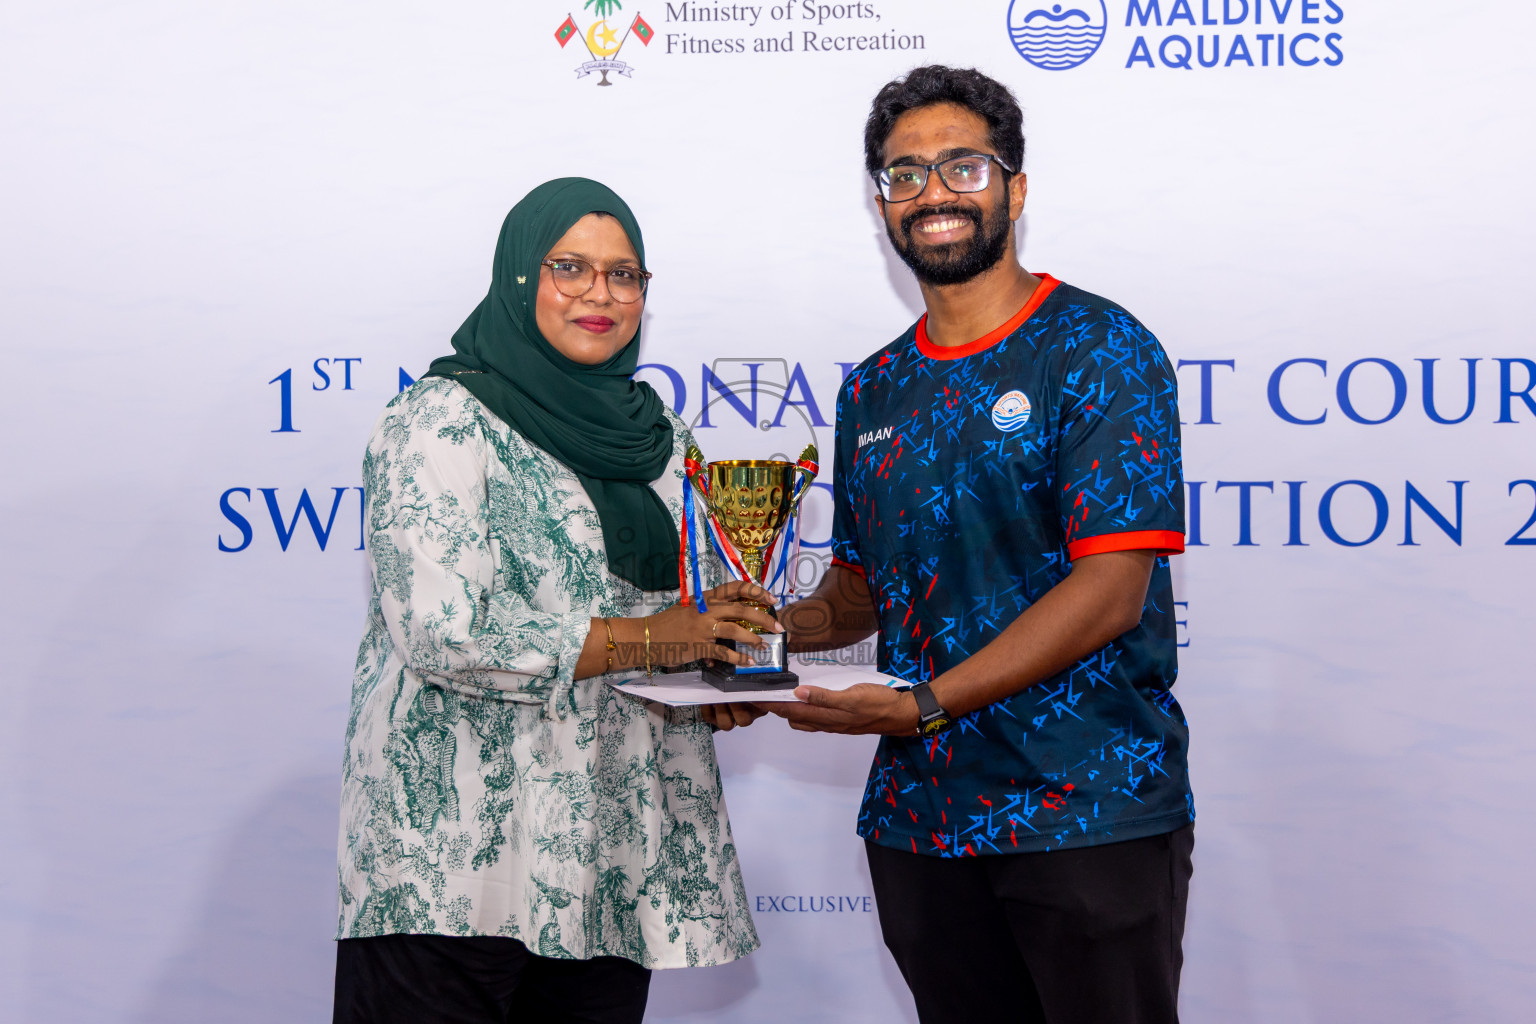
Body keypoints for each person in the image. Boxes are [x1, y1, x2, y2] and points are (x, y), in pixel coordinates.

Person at [770, 67, 1195, 1024]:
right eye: (904, 173)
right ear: (881, 200)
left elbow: (1111, 590)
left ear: (1015, 185)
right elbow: (862, 590)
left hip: (1084, 808)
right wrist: (763, 635)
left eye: (962, 166)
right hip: (921, 825)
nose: (932, 193)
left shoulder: (1096, 347)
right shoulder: (872, 389)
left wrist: (922, 704)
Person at [333, 177, 771, 1024]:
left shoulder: (661, 436)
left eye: (625, 274)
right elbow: (443, 634)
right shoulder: (438, 421)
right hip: (457, 858)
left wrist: (715, 666)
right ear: (520, 277)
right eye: (570, 267)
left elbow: (670, 613)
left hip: (609, 850)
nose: (600, 294)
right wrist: (654, 639)